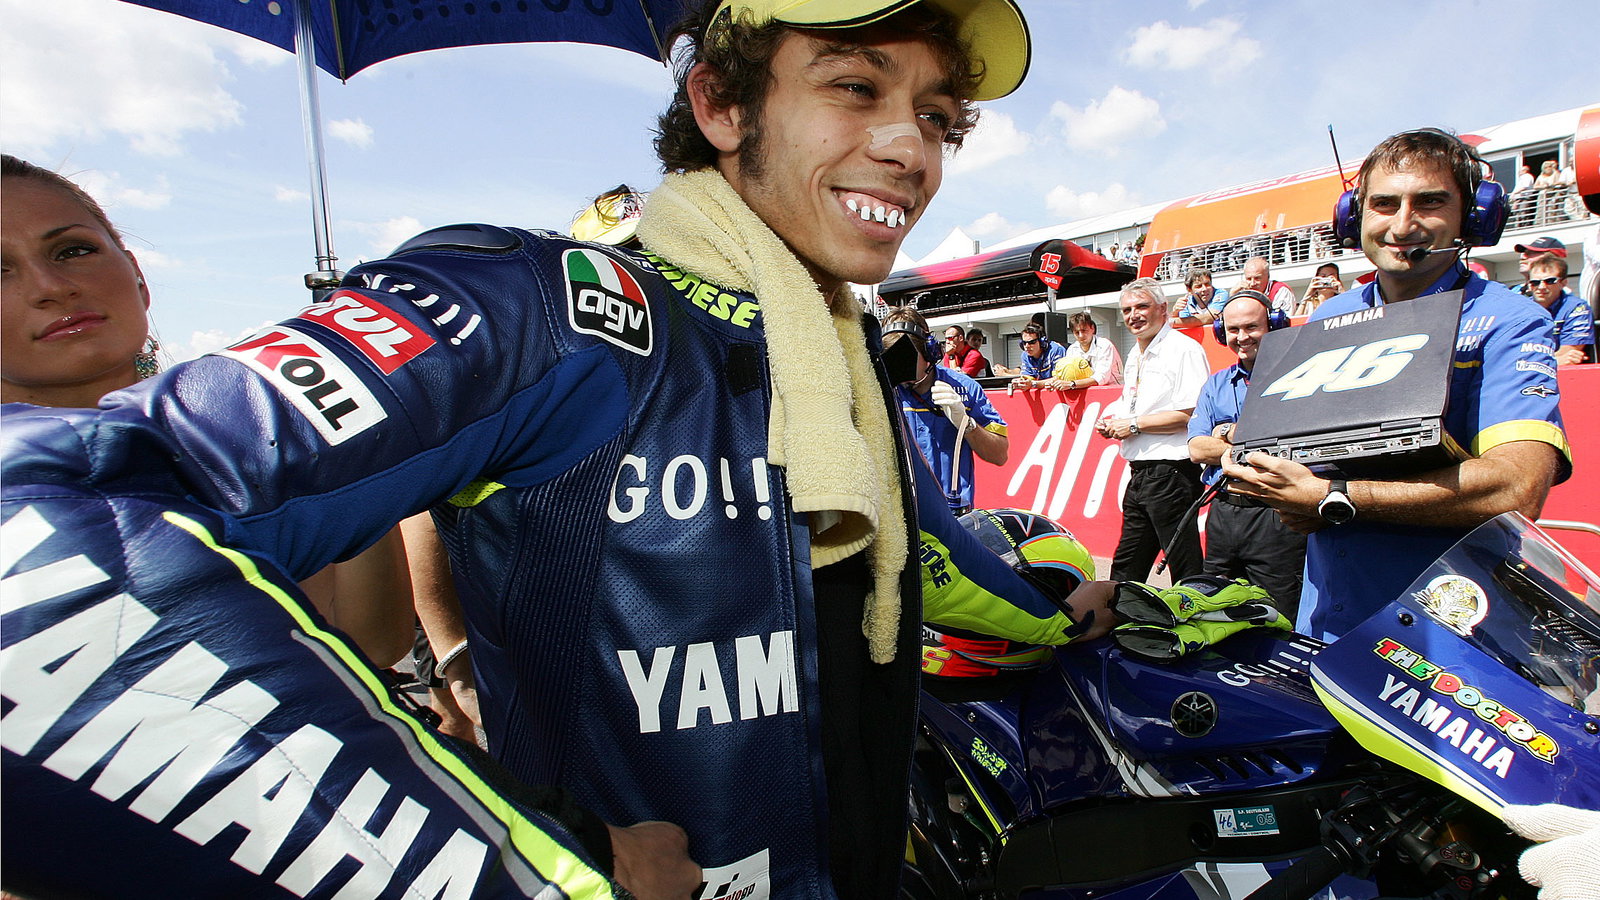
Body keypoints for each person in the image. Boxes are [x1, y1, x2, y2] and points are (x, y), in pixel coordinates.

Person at [3, 2, 1101, 897]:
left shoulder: (833, 353)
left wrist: (1057, 605)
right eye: (855, 87)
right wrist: (516, 866)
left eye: (939, 116)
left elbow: (915, 561)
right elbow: (34, 534)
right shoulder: (552, 305)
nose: (909, 147)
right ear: (717, 104)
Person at [0, 154, 415, 671]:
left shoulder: (265, 434)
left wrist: (352, 444)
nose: (50, 286)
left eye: (73, 250)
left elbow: (371, 642)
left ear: (136, 274)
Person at [1219, 128, 1570, 643]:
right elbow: (1306, 464)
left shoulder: (1508, 319)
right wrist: (1267, 473)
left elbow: (1518, 485)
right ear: (1353, 216)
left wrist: (1333, 497)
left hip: (1452, 631)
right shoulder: (1329, 315)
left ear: (1473, 215)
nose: (1402, 224)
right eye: (1383, 204)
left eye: (1429, 202)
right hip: (1328, 618)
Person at [1186, 291, 1307, 618]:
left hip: (1277, 515)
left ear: (1274, 324)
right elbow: (1197, 448)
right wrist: (1243, 435)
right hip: (1224, 513)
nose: (1242, 337)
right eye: (1234, 329)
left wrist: (1224, 433)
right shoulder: (1216, 384)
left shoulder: (1303, 376)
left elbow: (1293, 446)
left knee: (1278, 617)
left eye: (1252, 327)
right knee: (1211, 611)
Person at [1095, 278, 1210, 582]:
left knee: (1184, 566)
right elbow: (1132, 403)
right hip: (1141, 472)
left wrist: (1133, 424)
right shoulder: (1136, 353)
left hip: (1172, 472)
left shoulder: (1183, 349)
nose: (1134, 315)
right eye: (1127, 309)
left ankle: (1195, 622)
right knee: (1127, 564)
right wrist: (1111, 420)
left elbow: (1192, 413)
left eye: (1142, 306)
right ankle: (1119, 620)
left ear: (1163, 309)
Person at [884, 307, 1008, 515]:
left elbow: (1000, 454)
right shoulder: (879, 391)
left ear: (930, 352)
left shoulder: (965, 388)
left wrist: (966, 424)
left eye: (906, 359)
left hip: (952, 514)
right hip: (900, 515)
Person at [1525, 253, 1595, 365]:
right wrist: (1555, 361)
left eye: (1550, 281)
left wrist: (1529, 362)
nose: (1541, 287)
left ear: (1563, 283)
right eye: (1535, 282)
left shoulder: (1577, 308)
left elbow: (1569, 354)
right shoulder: (1519, 309)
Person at [1047, 310, 1122, 390]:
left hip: (1112, 392)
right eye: (1076, 332)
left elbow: (1101, 378)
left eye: (1084, 330)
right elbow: (1066, 375)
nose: (1081, 335)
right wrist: (1054, 383)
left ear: (1092, 328)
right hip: (1084, 393)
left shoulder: (1105, 345)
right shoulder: (1072, 349)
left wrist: (1072, 384)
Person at [994, 321, 1066, 385]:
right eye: (1024, 343)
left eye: (1032, 342)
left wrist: (1033, 384)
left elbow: (1059, 379)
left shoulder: (1056, 350)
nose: (1027, 346)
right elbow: (1028, 378)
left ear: (1042, 342)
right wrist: (1021, 382)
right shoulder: (1025, 355)